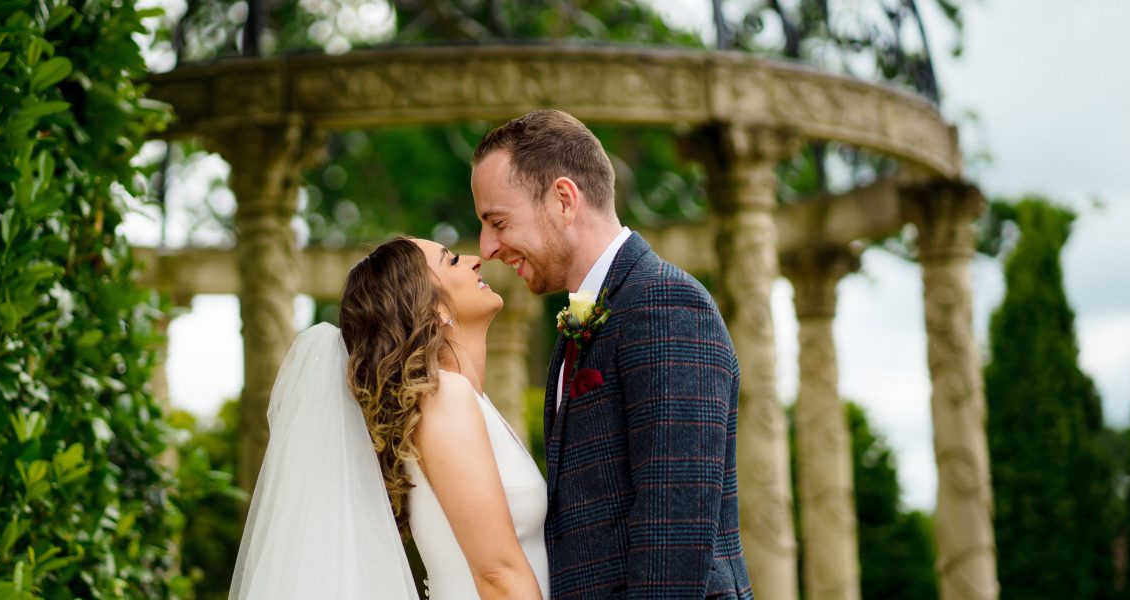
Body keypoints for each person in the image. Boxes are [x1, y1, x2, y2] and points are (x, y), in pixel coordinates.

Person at [471, 109, 752, 599]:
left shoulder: (665, 304)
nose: (487, 247)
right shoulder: (582, 325)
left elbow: (674, 533)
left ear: (563, 199)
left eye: (498, 221)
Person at [229, 237, 549, 600]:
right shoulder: (444, 397)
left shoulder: (462, 400)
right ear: (432, 309)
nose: (475, 260)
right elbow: (497, 575)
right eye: (452, 260)